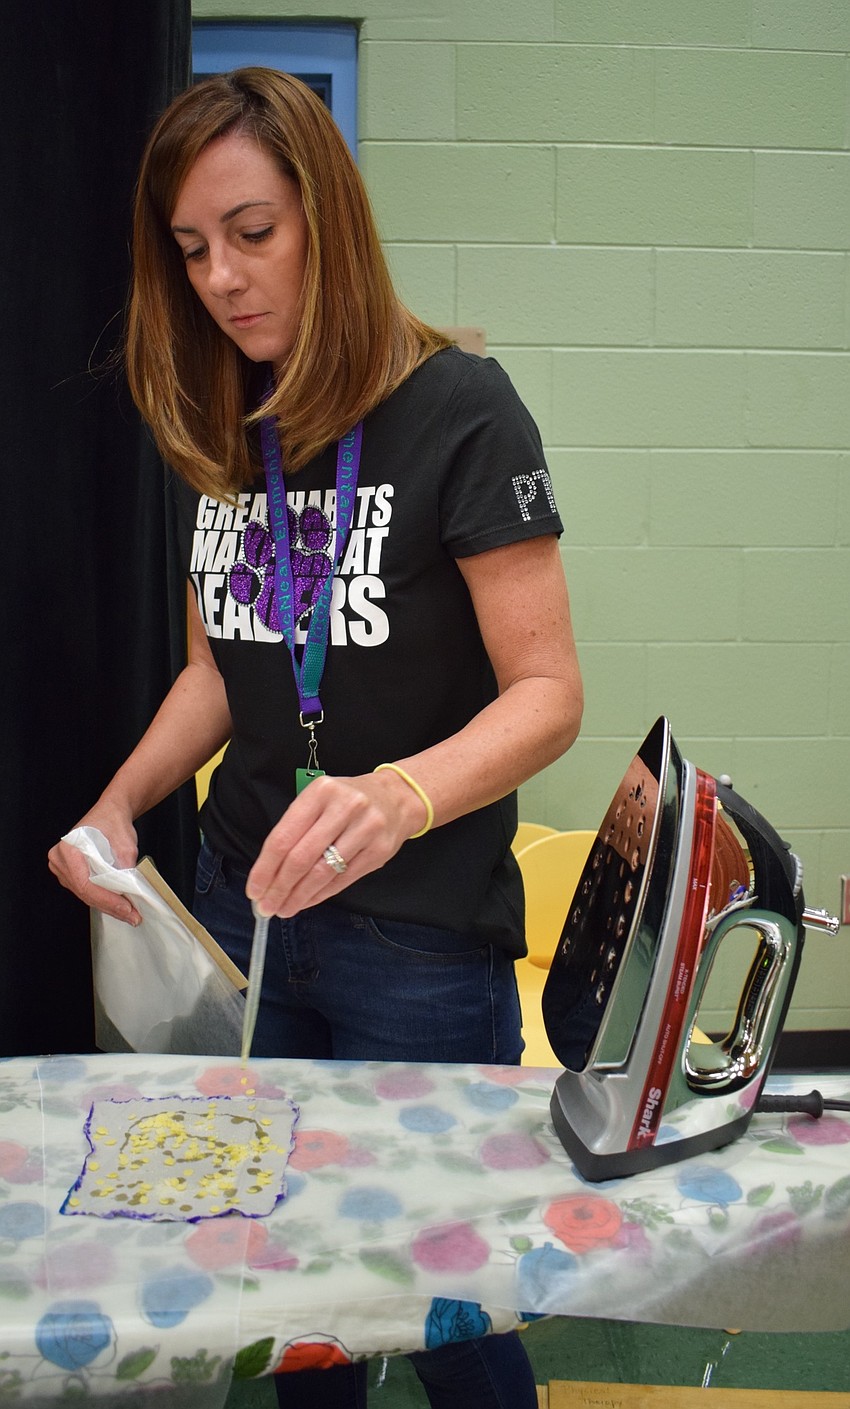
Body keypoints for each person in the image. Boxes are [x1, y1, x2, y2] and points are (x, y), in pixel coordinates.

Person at [48, 68, 583, 1409]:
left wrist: (399, 794)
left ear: (326, 220)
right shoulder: (230, 418)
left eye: (250, 233)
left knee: (449, 1302)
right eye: (189, 251)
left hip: (417, 932)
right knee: (293, 1292)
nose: (220, 279)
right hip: (253, 912)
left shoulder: (461, 407)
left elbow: (547, 691)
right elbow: (218, 670)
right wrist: (118, 806)